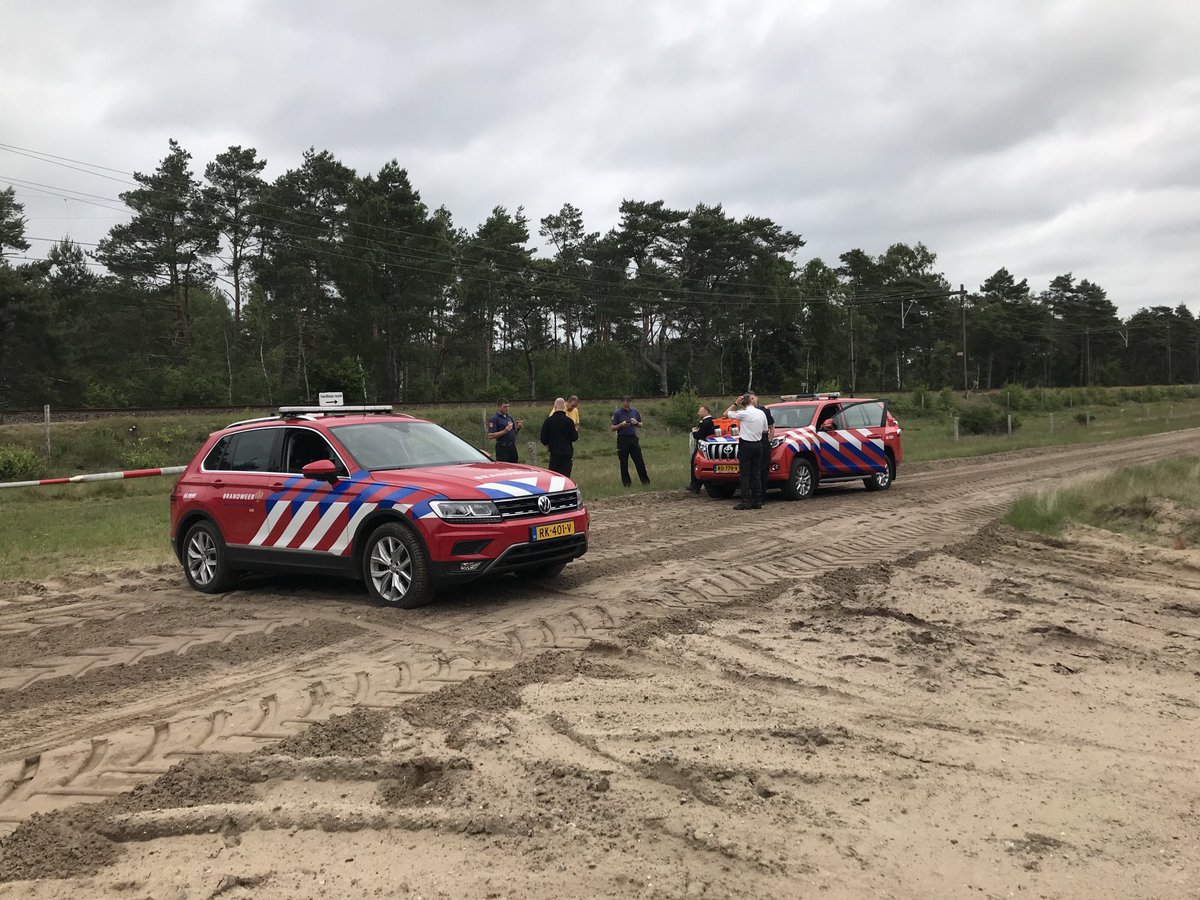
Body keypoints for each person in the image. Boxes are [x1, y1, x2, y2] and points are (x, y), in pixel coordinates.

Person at [725, 394, 767, 509]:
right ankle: (758, 499)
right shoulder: (761, 413)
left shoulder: (743, 413)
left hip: (746, 444)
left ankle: (746, 500)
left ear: (743, 403)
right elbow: (765, 429)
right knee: (756, 473)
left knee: (745, 474)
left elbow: (726, 414)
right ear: (751, 402)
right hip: (758, 444)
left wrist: (735, 403)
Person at [611, 395, 650, 487]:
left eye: (628, 402)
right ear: (622, 403)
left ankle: (645, 481)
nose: (626, 404)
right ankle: (626, 483)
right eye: (625, 402)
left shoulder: (635, 411)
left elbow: (641, 424)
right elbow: (612, 428)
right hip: (622, 439)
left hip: (633, 438)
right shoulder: (617, 413)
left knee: (639, 461)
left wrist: (636, 423)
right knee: (624, 462)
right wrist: (621, 425)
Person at [747, 392, 775, 506]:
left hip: (762, 442)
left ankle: (761, 496)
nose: (752, 401)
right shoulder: (746, 412)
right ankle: (753, 496)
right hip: (751, 441)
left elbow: (772, 427)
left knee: (762, 471)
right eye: (749, 399)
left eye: (753, 398)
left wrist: (769, 440)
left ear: (757, 398)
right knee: (751, 471)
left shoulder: (764, 411)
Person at [540, 397, 578, 476]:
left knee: (554, 476)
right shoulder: (569, 421)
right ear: (564, 407)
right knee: (565, 476)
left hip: (554, 453)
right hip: (567, 453)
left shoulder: (548, 421)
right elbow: (574, 437)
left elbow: (543, 439)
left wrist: (549, 447)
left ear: (555, 406)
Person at [687, 405, 715, 492]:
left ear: (706, 411)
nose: (698, 413)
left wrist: (694, 432)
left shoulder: (705, 422)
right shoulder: (712, 421)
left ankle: (695, 485)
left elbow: (700, 435)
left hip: (702, 445)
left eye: (700, 411)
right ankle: (697, 485)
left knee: (695, 463)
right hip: (709, 445)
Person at [486, 398, 522, 463]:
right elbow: (490, 436)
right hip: (502, 448)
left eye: (508, 406)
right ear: (499, 407)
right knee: (503, 466)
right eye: (504, 407)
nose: (507, 408)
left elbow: (513, 433)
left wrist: (518, 428)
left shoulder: (509, 417)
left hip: (512, 447)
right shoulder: (494, 419)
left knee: (514, 466)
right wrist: (505, 431)